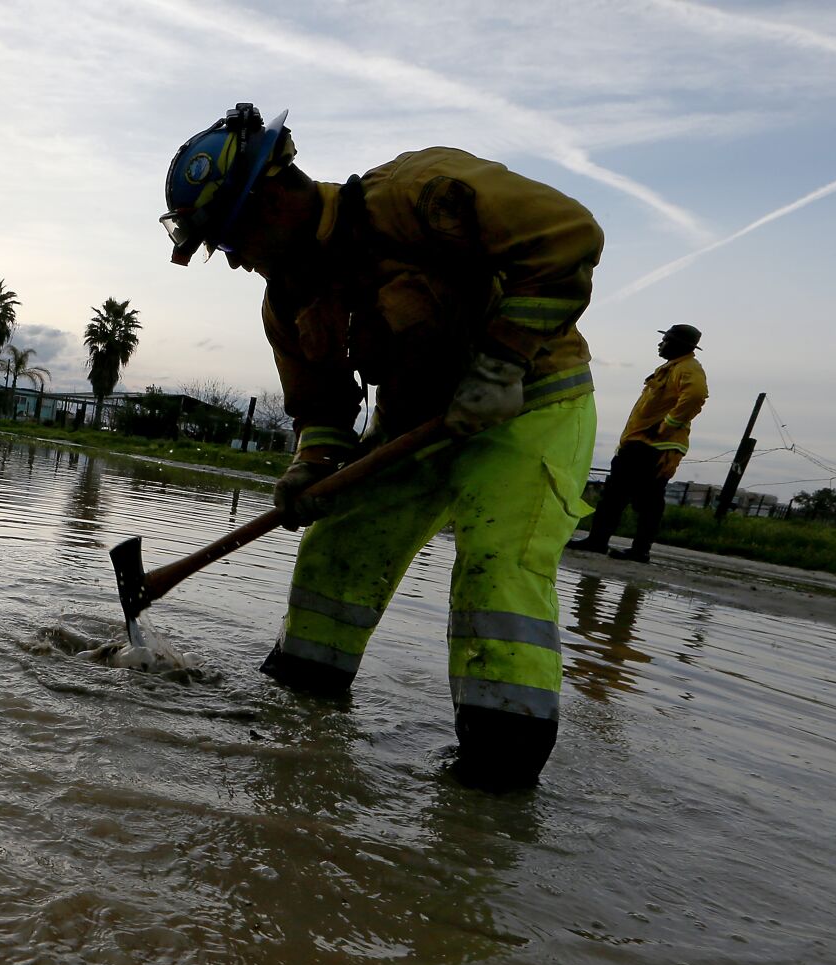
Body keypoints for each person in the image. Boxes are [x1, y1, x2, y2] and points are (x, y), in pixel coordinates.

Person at [160, 104, 604, 788]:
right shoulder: (287, 302)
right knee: (334, 553)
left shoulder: (419, 193)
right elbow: (325, 410)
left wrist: (503, 362)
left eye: (230, 238)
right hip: (415, 426)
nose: (236, 261)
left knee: (497, 573)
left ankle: (494, 785)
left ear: (274, 198)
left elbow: (570, 237)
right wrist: (310, 467)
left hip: (530, 404)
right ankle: (299, 726)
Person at [567, 324, 708, 562]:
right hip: (640, 443)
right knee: (619, 496)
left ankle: (632, 549)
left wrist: (668, 425)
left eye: (666, 340)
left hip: (652, 446)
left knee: (640, 500)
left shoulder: (687, 369)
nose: (660, 344)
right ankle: (603, 542)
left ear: (679, 345)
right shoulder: (674, 368)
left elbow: (695, 396)